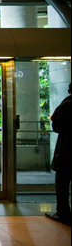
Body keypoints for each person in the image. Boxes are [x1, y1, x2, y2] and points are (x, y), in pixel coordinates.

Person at [45, 82, 72, 226]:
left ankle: (63, 213)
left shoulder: (67, 104)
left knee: (62, 184)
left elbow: (56, 125)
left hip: (67, 151)